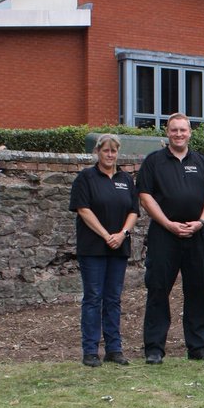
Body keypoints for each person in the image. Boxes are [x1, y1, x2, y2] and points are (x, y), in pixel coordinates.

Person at [135, 113, 204, 364]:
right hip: (164, 235)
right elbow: (145, 196)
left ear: (190, 133)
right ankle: (154, 348)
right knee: (158, 290)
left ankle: (197, 347)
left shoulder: (202, 162)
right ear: (167, 132)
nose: (179, 134)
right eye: (174, 130)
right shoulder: (154, 162)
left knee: (197, 290)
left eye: (183, 130)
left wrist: (201, 222)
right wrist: (168, 224)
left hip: (196, 235)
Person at [69, 133, 138, 367]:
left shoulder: (125, 179)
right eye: (106, 150)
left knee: (113, 299)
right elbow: (83, 209)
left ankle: (114, 349)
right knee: (93, 298)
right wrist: (106, 235)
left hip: (119, 248)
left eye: (114, 151)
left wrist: (122, 234)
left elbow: (133, 211)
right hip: (93, 249)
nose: (110, 155)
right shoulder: (86, 178)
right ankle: (90, 351)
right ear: (98, 152)